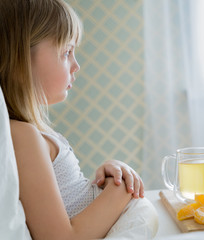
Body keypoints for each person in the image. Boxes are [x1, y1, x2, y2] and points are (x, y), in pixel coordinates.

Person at [0, 0, 157, 239]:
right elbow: (62, 237)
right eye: (66, 52)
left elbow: (67, 197)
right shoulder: (22, 136)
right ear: (22, 59)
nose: (76, 66)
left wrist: (104, 181)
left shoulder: (31, 131)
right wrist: (121, 189)